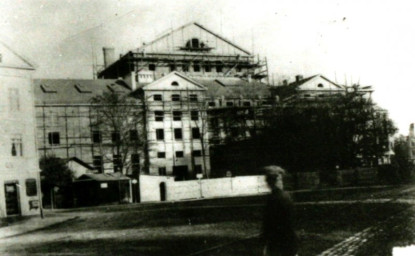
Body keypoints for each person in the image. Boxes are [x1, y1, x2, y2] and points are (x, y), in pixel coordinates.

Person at [262, 166, 298, 256]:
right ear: (278, 180)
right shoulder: (285, 197)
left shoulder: (272, 199)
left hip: (276, 244)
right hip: (287, 243)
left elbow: (268, 225)